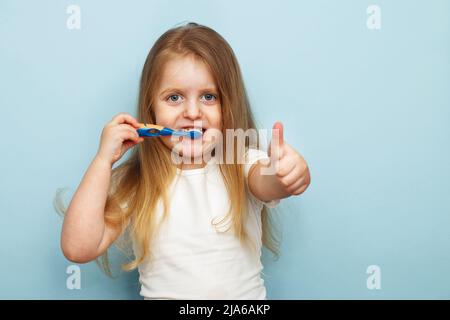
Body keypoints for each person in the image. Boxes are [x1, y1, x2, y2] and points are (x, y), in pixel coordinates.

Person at [59, 22, 311, 299]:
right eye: (174, 97)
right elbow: (77, 248)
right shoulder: (136, 180)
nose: (192, 112)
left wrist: (287, 173)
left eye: (208, 96)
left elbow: (270, 182)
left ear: (230, 107)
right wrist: (102, 162)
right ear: (151, 110)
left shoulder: (242, 162)